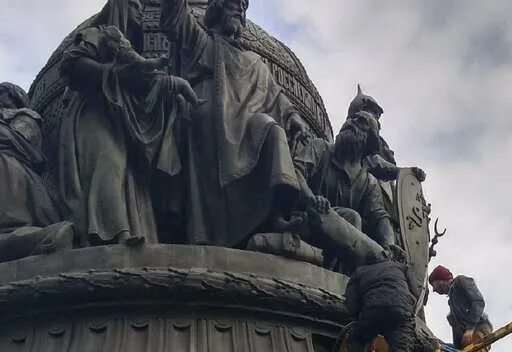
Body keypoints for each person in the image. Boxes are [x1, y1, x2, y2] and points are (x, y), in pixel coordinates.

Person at [160, 0, 306, 247]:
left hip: (247, 127)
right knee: (206, 131)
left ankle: (276, 215)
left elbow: (275, 96)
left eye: (243, 6)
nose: (239, 9)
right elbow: (174, 18)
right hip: (206, 125)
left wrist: (292, 115)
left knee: (272, 130)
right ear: (217, 9)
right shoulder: (201, 42)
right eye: (232, 3)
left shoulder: (254, 61)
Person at [57, 0, 199, 246]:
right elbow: (73, 66)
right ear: (120, 6)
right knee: (109, 164)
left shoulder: (129, 51)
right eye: (135, 7)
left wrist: (172, 84)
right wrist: (116, 73)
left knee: (127, 174)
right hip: (95, 114)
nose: (140, 14)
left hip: (120, 120)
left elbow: (143, 86)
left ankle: (127, 233)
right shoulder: (96, 34)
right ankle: (106, 235)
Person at [292, 112, 396, 250]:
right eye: (352, 118)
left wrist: (389, 245)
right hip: (307, 218)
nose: (350, 122)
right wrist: (311, 198)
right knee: (353, 218)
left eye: (360, 121)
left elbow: (379, 217)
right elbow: (296, 171)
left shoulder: (369, 182)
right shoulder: (321, 148)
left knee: (353, 220)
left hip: (341, 235)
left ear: (368, 139)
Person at [0, 82, 74, 262]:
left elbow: (18, 140)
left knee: (12, 218)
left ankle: (32, 238)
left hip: (12, 168)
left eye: (2, 92)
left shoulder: (26, 117)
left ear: (14, 95)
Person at [345, 245, 415, 352]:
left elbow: (351, 304)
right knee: (402, 349)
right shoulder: (398, 267)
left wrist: (358, 318)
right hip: (400, 312)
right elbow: (414, 291)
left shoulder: (359, 272)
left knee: (356, 337)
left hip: (373, 312)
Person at [346, 85, 425, 184]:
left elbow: (383, 162)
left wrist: (406, 173)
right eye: (374, 112)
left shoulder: (381, 143)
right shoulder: (353, 134)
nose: (377, 117)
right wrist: (405, 172)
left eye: (378, 115)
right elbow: (374, 162)